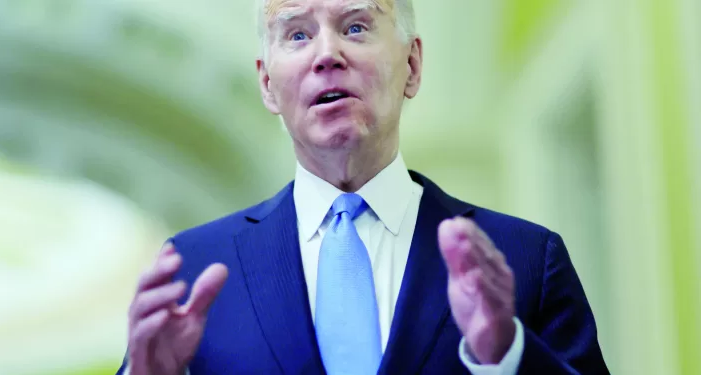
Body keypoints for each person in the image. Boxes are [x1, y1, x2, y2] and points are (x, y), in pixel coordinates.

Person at [116, 0, 610, 374]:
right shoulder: (194, 269)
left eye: (356, 26)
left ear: (412, 67)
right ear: (267, 85)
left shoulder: (527, 258)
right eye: (297, 35)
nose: (327, 54)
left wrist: (507, 355)